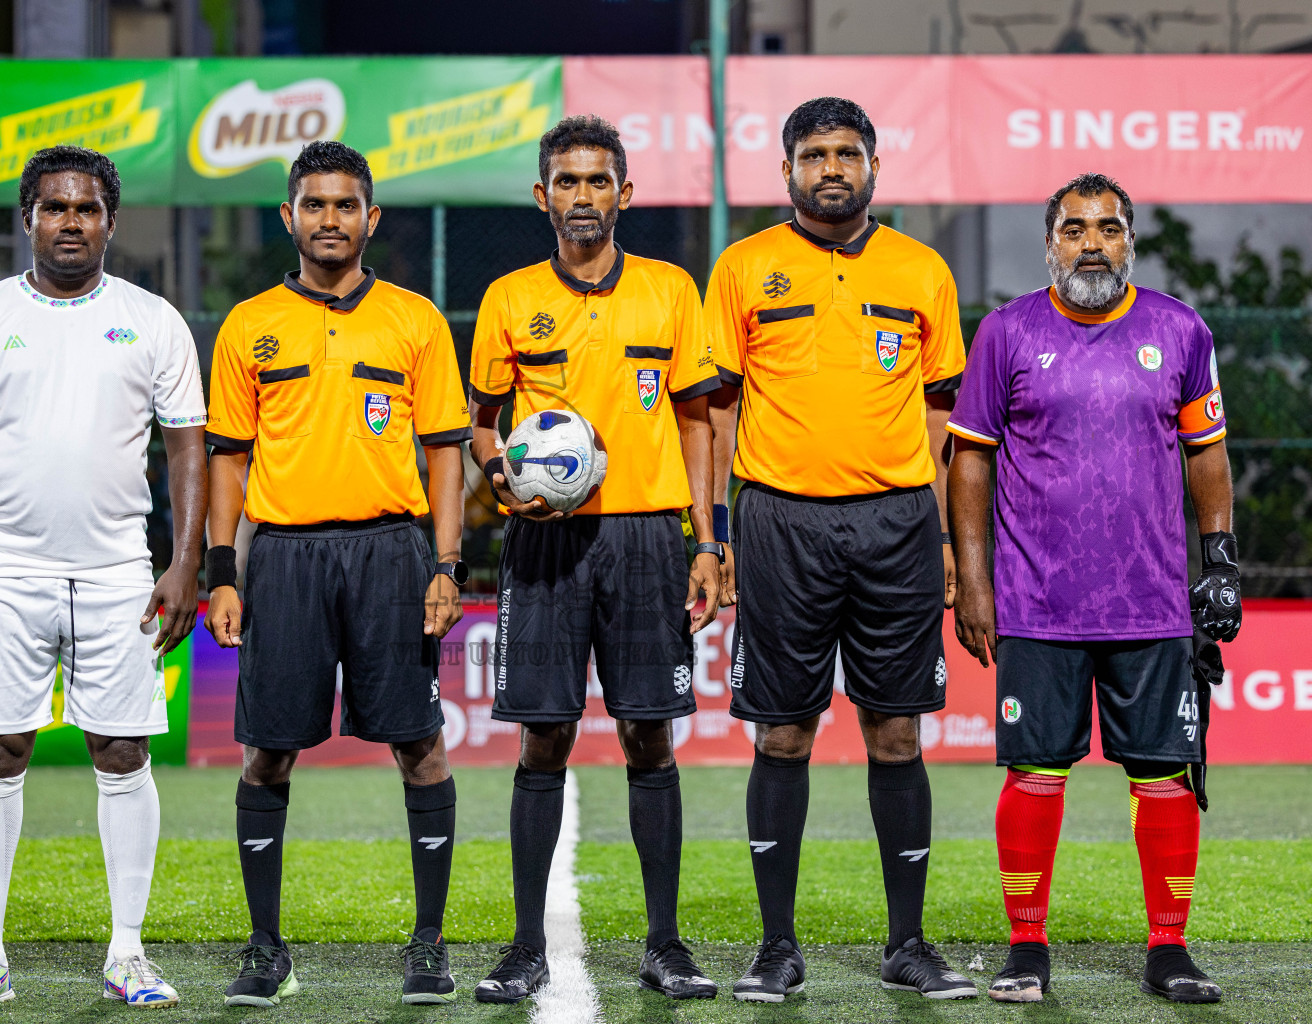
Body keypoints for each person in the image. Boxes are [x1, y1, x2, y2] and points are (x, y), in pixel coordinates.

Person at [0, 145, 206, 1011]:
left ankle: (127, 954)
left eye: (86, 209)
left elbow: (187, 444)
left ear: (111, 222)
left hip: (121, 567)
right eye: (54, 208)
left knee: (122, 751)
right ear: (29, 219)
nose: (70, 221)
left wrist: (185, 559)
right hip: (4, 568)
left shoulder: (154, 320)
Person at [705, 96, 973, 1001]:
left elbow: (944, 411)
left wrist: (939, 531)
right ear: (786, 172)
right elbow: (718, 409)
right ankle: (776, 948)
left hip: (897, 523)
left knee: (895, 730)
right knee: (784, 731)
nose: (831, 167)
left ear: (873, 167)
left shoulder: (921, 269)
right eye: (814, 154)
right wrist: (721, 533)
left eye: (847, 153)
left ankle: (909, 944)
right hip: (780, 522)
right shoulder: (743, 268)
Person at [948, 173, 1237, 1005]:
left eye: (1108, 229)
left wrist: (1217, 562)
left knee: (1165, 775)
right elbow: (969, 457)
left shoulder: (1179, 330)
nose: (1091, 243)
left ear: (1130, 241)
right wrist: (973, 581)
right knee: (1034, 772)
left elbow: (1206, 453)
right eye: (1074, 229)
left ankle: (1170, 949)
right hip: (1038, 601)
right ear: (1050, 243)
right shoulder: (1007, 332)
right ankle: (1027, 948)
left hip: (1152, 602)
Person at [203, 140, 471, 1008]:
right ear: (289, 217)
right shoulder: (247, 326)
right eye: (313, 205)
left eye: (344, 205)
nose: (329, 220)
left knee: (418, 746)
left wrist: (446, 562)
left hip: (392, 552)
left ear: (370, 218)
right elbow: (228, 463)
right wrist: (222, 571)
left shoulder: (415, 320)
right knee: (266, 753)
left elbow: (443, 456)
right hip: (282, 557)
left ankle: (428, 945)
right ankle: (266, 947)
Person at [467, 115, 724, 1004]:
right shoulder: (507, 299)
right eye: (566, 182)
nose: (583, 196)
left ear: (626, 191)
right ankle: (525, 947)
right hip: (545, 537)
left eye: (598, 180)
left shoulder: (670, 293)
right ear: (543, 196)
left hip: (648, 536)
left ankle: (665, 943)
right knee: (545, 738)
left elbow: (699, 421)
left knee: (649, 734)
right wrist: (502, 483)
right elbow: (483, 425)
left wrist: (708, 539)